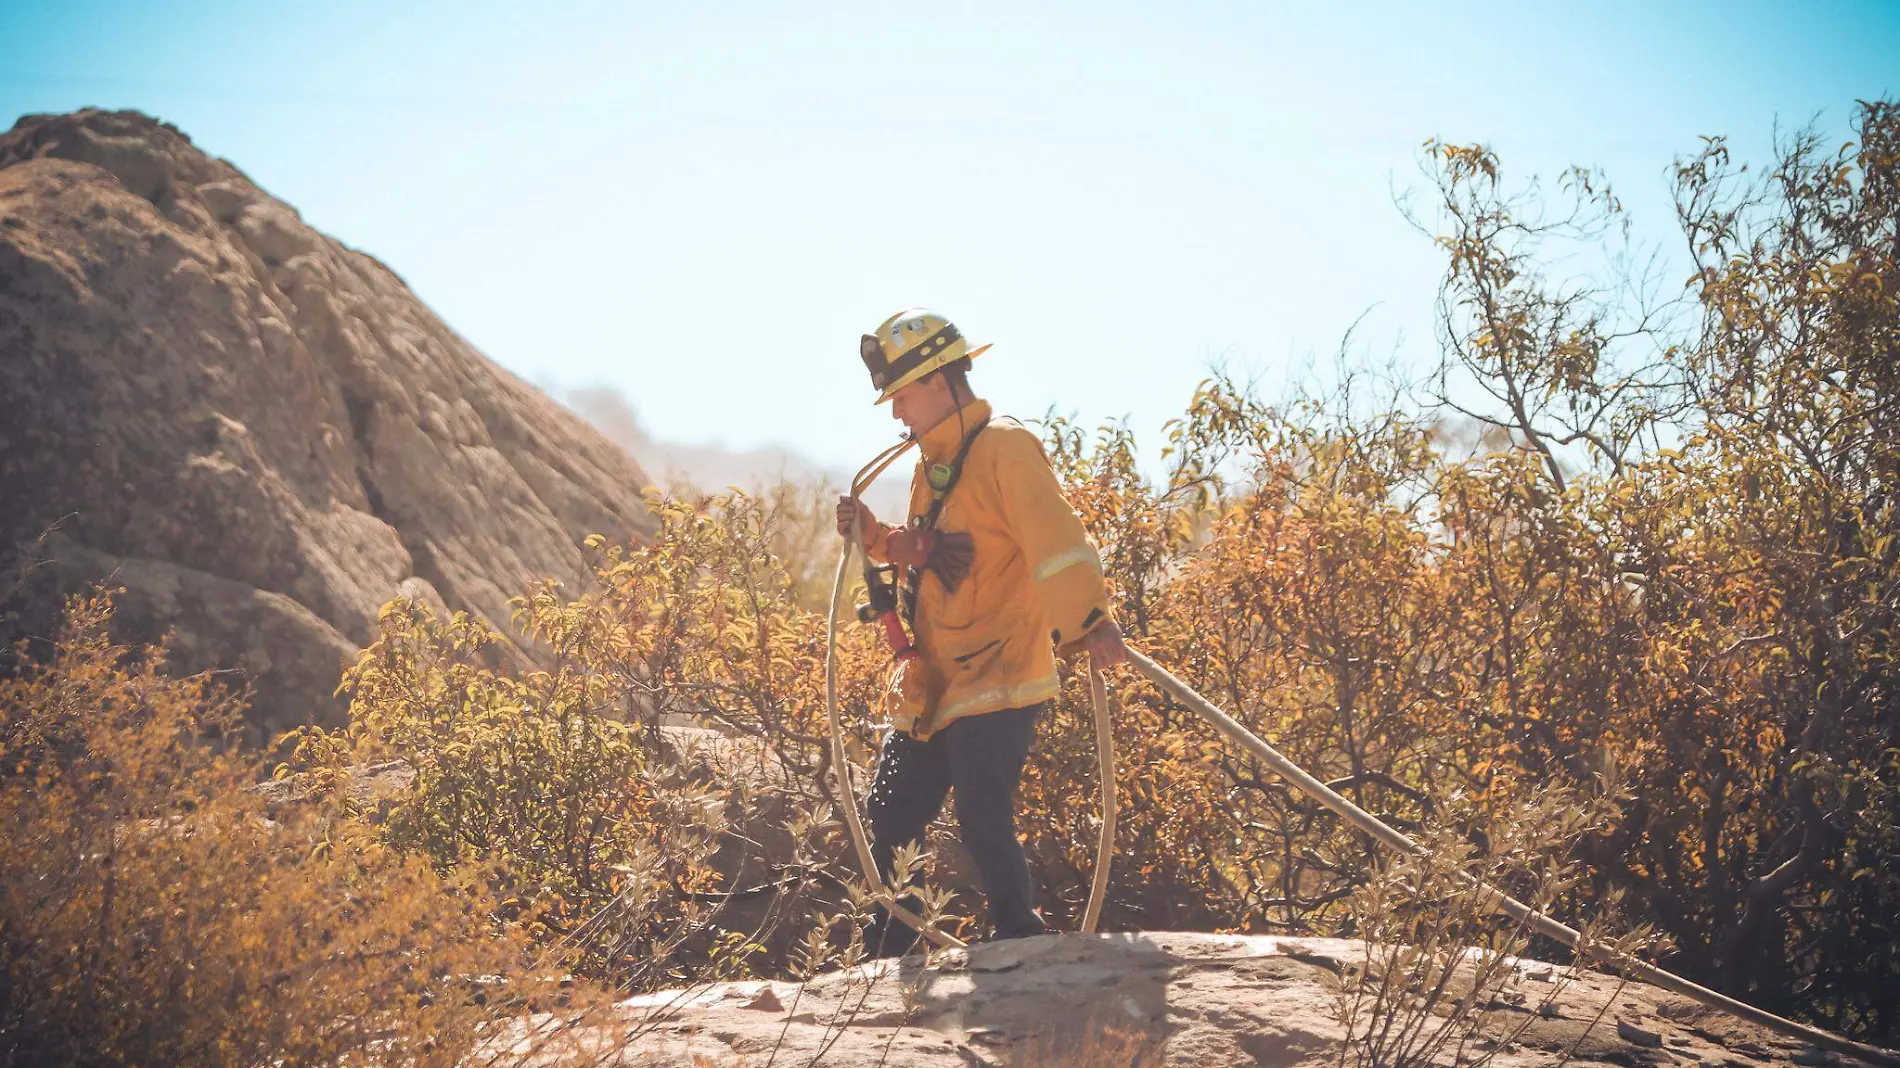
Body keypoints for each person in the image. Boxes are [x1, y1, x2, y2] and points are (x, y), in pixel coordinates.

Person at [835, 308, 1128, 957]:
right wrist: (879, 539)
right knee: (888, 821)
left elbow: (1054, 540)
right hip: (934, 686)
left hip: (999, 677)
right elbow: (941, 555)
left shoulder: (1005, 449)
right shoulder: (931, 465)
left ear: (939, 380)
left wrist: (1089, 621)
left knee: (981, 814)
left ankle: (1020, 945)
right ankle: (885, 959)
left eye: (901, 396)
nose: (895, 414)